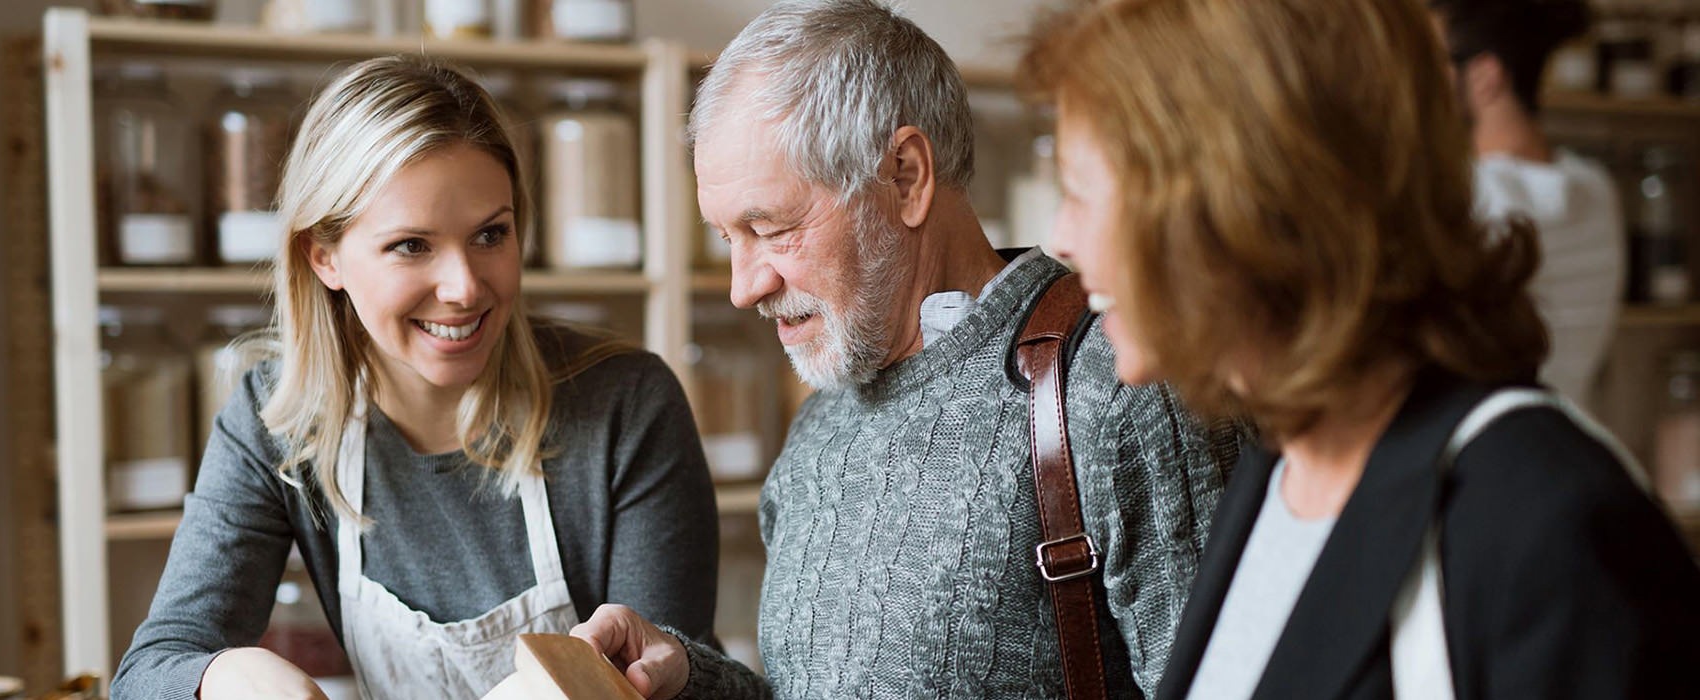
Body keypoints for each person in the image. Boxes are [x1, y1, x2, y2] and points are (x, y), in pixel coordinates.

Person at [1021, 0, 1700, 697]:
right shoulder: (1279, 469)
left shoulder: (1545, 527)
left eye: (1079, 191)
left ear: (1242, 204)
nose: (1059, 240)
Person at [571, 1, 1241, 698]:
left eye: (771, 229)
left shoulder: (1124, 384)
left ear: (907, 177)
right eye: (727, 237)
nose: (744, 287)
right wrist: (688, 679)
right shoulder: (820, 428)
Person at [111, 55, 719, 700]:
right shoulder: (276, 417)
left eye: (491, 234)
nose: (463, 287)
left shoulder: (625, 402)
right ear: (324, 256)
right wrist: (229, 675)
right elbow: (150, 669)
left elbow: (690, 672)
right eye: (412, 245)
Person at [1434, 0, 1625, 411]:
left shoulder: (1470, 194)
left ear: (1485, 76)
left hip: (1490, 448)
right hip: (1571, 433)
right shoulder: (1596, 188)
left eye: (1434, 64)